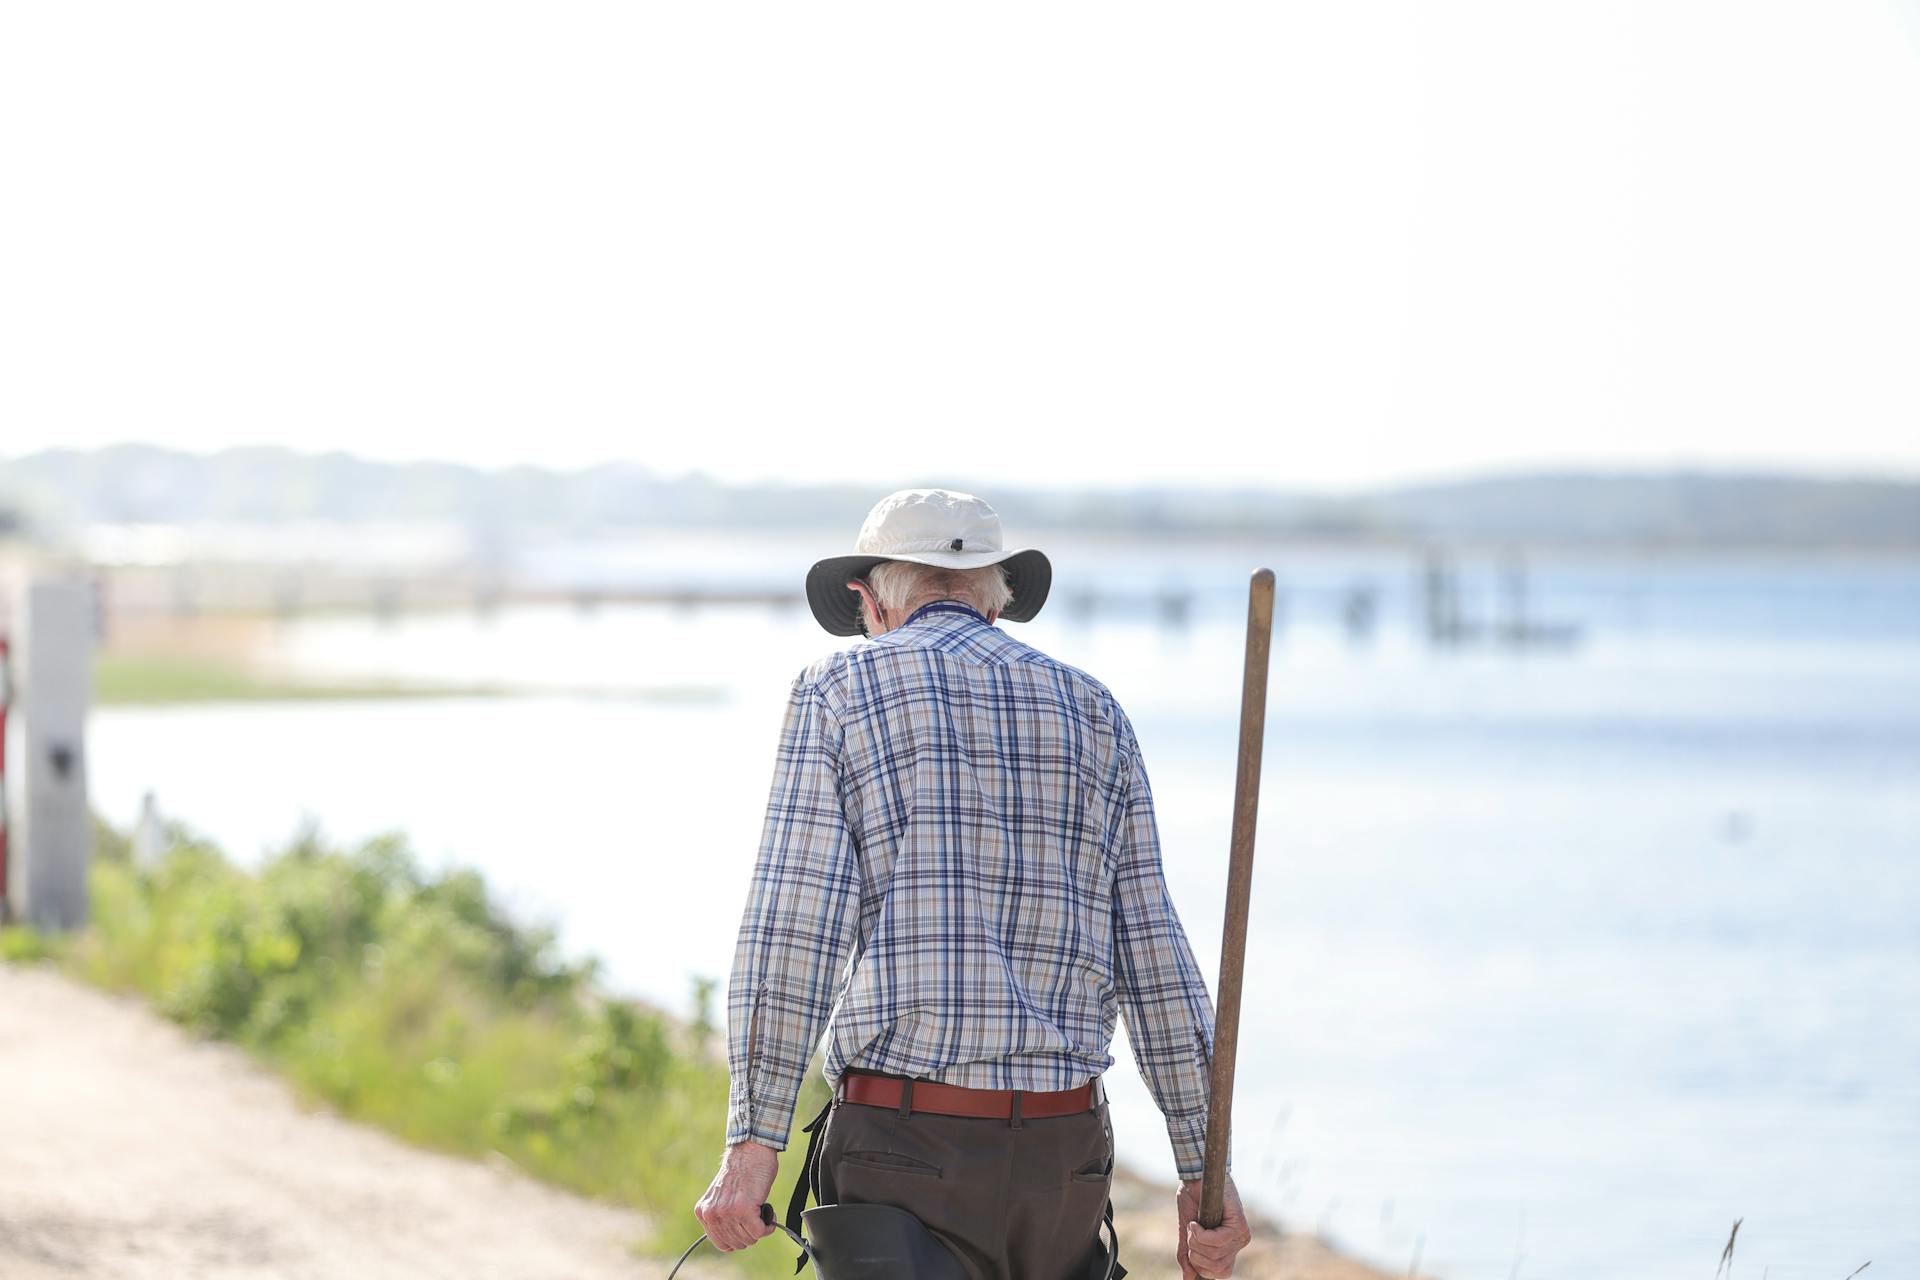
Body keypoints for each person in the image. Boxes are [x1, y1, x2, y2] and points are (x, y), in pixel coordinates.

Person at [695, 487, 1254, 1280]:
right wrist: (1204, 1168)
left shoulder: (838, 692)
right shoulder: (1095, 710)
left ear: (869, 599)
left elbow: (795, 930)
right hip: (1065, 1162)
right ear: (996, 601)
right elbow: (1155, 956)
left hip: (902, 1149)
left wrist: (754, 1147)